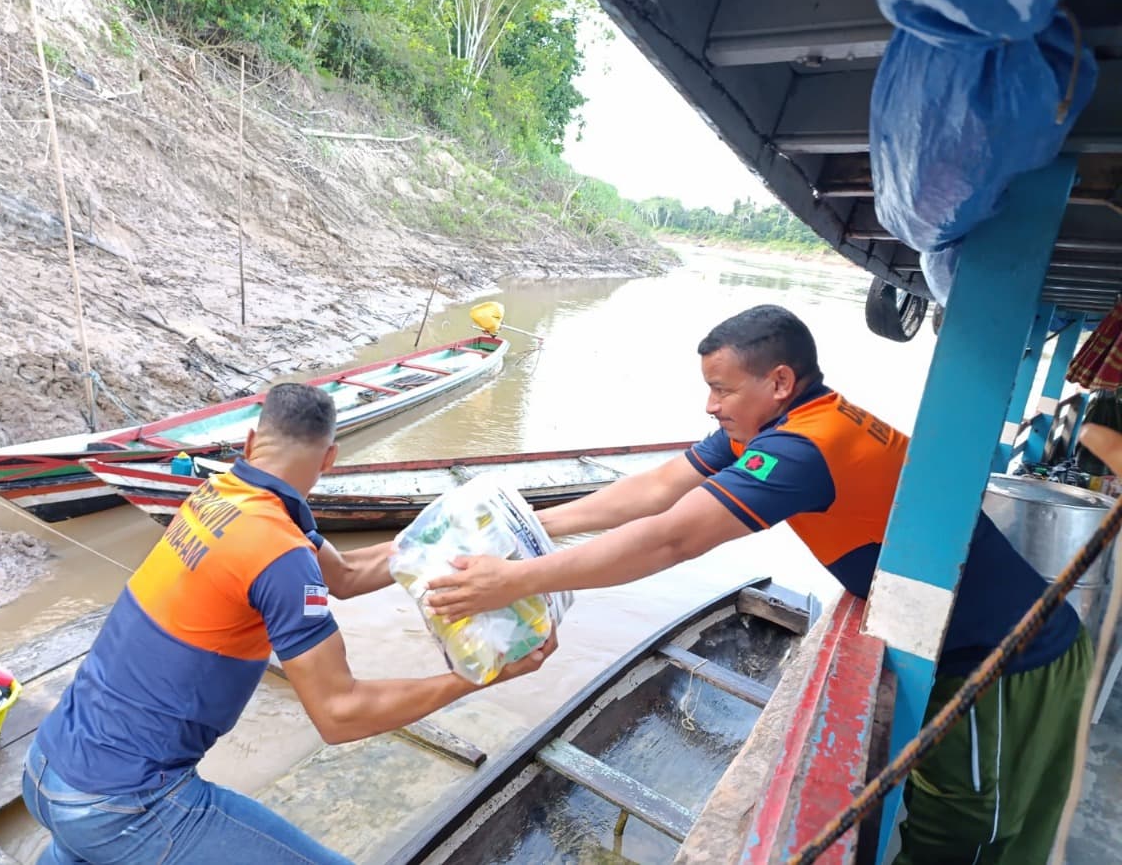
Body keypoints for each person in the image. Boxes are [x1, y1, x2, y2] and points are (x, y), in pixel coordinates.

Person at [425, 304, 1091, 865]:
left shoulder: (801, 450)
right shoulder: (789, 422)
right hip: (980, 643)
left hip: (1005, 662)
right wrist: (529, 529)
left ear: (778, 380)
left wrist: (513, 579)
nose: (710, 404)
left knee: (968, 838)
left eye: (722, 388)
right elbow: (658, 489)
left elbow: (673, 536)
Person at [24, 383, 555, 864]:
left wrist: (436, 542)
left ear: (253, 441)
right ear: (330, 457)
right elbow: (339, 715)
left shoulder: (221, 496)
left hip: (46, 768)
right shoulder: (279, 553)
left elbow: (345, 576)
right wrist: (481, 674)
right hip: (126, 808)